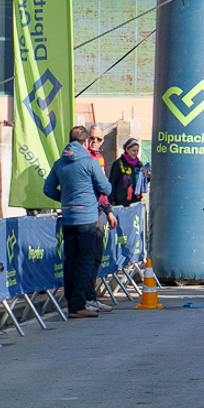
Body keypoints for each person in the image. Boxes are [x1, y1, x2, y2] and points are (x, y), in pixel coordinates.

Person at [44, 126, 112, 318]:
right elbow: (106, 189)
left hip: (68, 216)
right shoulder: (90, 163)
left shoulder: (59, 163)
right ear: (85, 142)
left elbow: (48, 189)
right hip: (87, 217)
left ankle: (72, 304)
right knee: (85, 260)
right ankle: (79, 304)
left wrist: (66, 198)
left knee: (71, 260)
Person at [84, 126, 117, 314]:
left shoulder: (100, 158)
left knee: (97, 256)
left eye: (99, 139)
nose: (95, 141)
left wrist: (109, 211)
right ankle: (85, 299)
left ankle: (91, 297)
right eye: (92, 138)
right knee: (86, 258)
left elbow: (103, 190)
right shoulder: (84, 157)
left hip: (99, 211)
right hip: (85, 212)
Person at [108, 137, 150, 207]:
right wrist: (110, 200)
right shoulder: (118, 164)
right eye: (133, 151)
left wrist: (147, 176)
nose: (136, 153)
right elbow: (112, 182)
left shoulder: (139, 165)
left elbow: (142, 183)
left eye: (137, 151)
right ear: (127, 149)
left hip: (135, 202)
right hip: (121, 203)